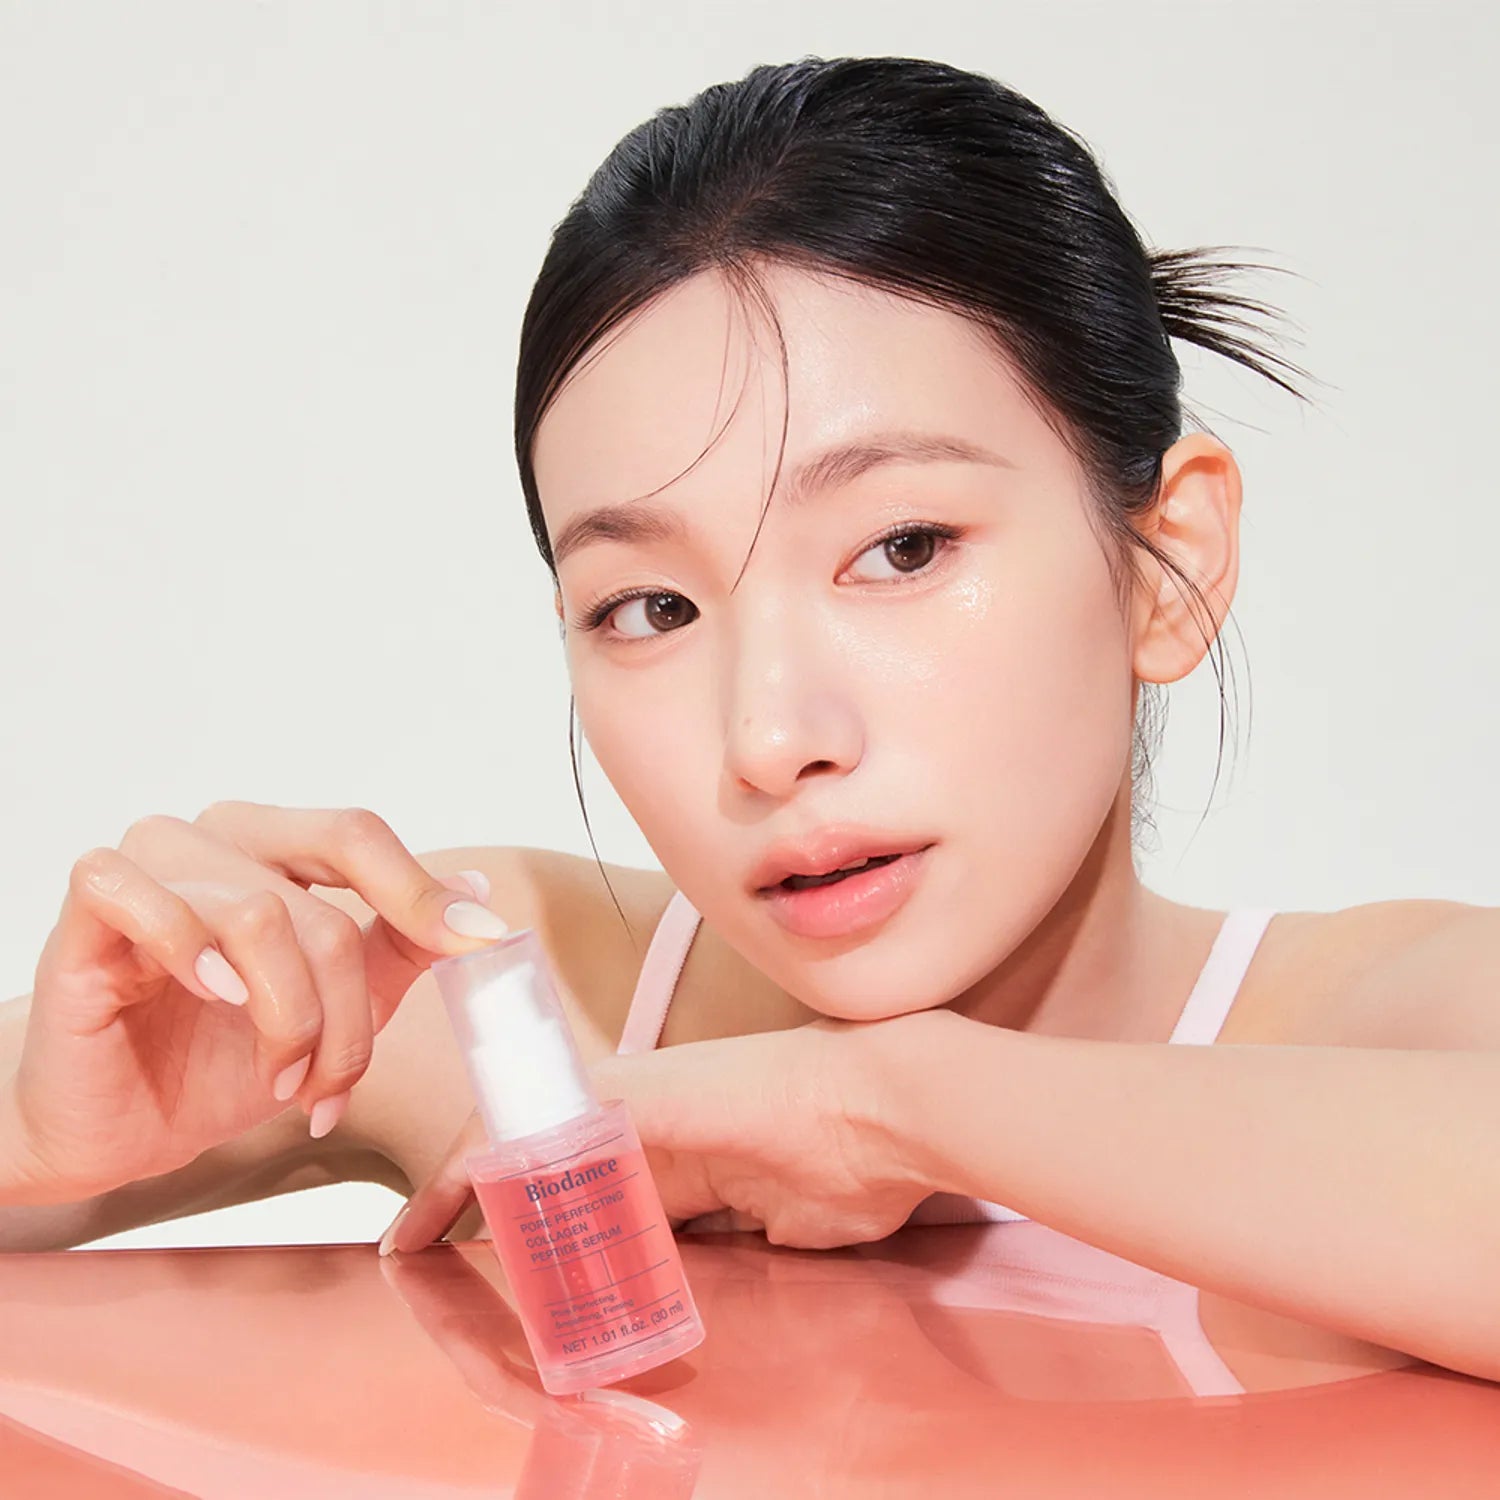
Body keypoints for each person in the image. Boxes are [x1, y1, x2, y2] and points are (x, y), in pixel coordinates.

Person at [3, 56, 1497, 1385]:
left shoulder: (1396, 1025)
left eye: (901, 547)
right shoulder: (511, 1004)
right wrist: (43, 1131)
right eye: (651, 608)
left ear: (1170, 564)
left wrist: (886, 1101)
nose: (770, 739)